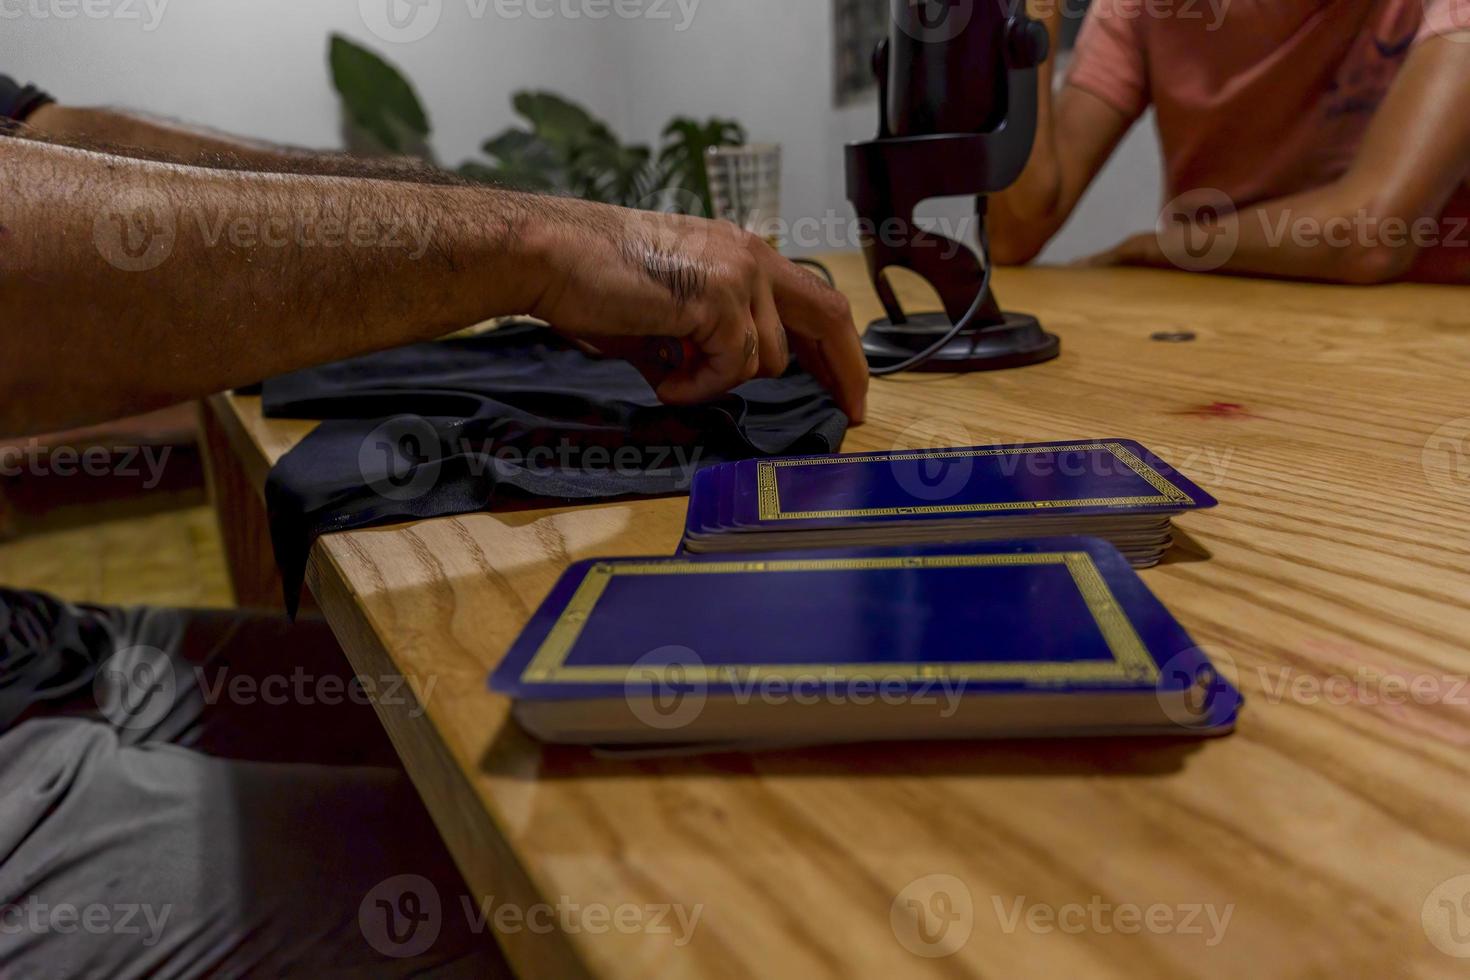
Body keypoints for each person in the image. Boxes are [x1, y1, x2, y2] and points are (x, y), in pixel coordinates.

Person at [0, 78, 869, 976]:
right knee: (645, 895)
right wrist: (532, 247)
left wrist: (451, 217)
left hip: (38, 652)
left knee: (545, 720)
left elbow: (49, 136)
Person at [992, 0, 1470, 284]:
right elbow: (1012, 232)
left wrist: (1151, 250)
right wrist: (1033, 13)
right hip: (1215, 320)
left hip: (1413, 342)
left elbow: (1370, 235)